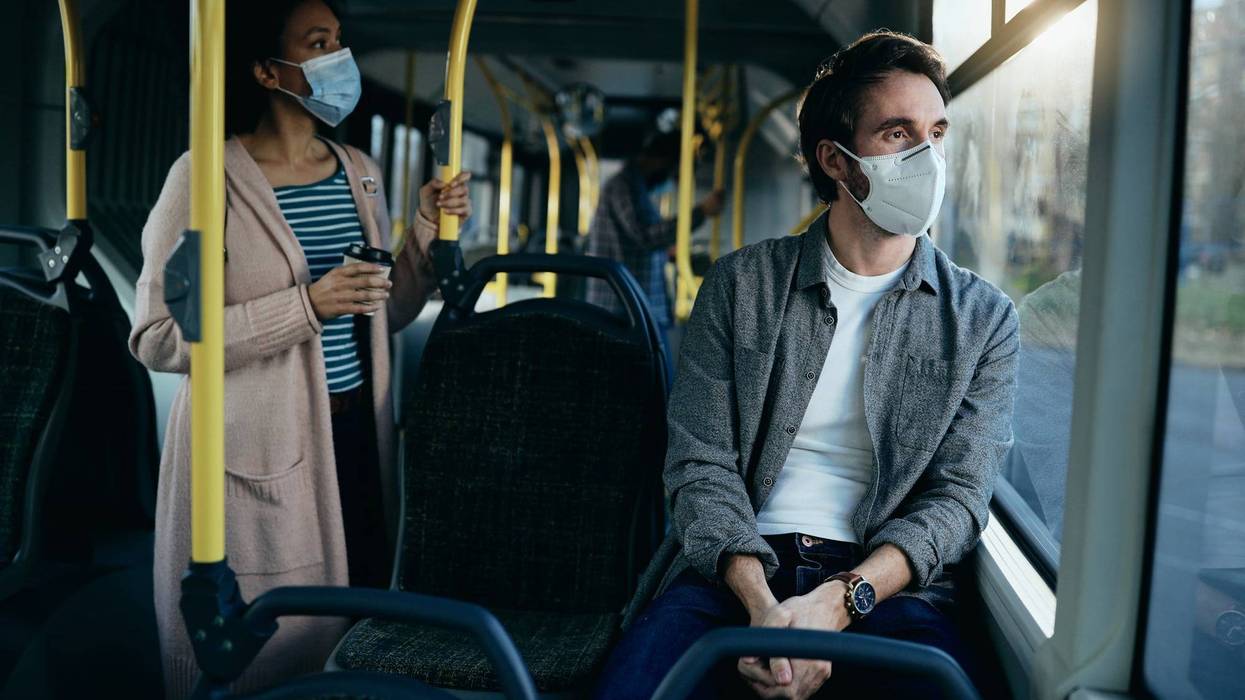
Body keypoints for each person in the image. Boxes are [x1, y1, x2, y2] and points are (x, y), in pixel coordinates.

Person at [594, 31, 1019, 699]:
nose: (927, 158)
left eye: (936, 133)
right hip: (731, 573)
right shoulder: (740, 286)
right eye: (898, 134)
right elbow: (700, 464)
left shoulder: (983, 319)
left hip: (886, 588)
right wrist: (763, 607)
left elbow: (958, 498)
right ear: (836, 160)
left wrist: (841, 600)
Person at [128, 1, 471, 696]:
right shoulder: (205, 178)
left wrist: (423, 235)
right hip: (257, 450)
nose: (339, 59)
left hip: (357, 435)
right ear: (266, 70)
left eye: (340, 41)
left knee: (355, 624)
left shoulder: (360, 171)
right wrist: (305, 306)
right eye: (318, 43)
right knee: (272, 647)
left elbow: (383, 312)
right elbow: (161, 336)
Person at [585, 130, 724, 338]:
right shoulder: (622, 186)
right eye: (671, 168)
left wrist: (665, 253)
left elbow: (635, 240)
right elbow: (645, 237)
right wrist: (701, 212)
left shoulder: (635, 187)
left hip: (631, 305)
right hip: (622, 307)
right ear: (660, 161)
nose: (669, 177)